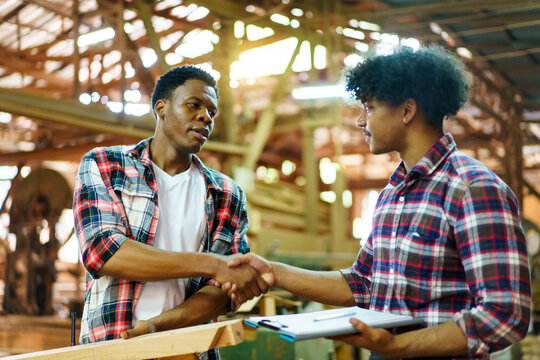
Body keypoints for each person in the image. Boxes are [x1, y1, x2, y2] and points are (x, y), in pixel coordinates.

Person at [224, 46, 531, 359]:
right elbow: (363, 283)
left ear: (407, 111)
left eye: (369, 108)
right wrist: (273, 271)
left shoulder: (473, 189)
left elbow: (504, 315)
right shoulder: (392, 196)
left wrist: (398, 347)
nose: (360, 121)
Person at [73, 65, 268, 359]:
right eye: (194, 105)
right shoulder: (105, 166)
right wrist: (211, 264)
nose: (206, 116)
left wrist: (155, 327)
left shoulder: (226, 194)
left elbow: (227, 290)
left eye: (212, 112)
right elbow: (103, 252)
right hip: (112, 346)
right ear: (161, 108)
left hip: (188, 351)